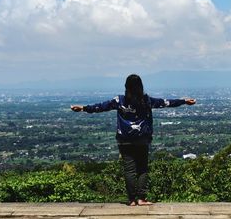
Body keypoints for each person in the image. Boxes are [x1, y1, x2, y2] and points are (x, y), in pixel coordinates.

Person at [71, 74, 196, 206]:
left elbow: (101, 107)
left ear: (126, 87)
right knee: (142, 169)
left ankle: (131, 200)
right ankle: (141, 198)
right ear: (141, 87)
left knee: (129, 170)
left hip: (124, 139)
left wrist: (83, 108)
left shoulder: (119, 100)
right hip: (142, 139)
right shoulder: (146, 100)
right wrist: (184, 101)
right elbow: (166, 102)